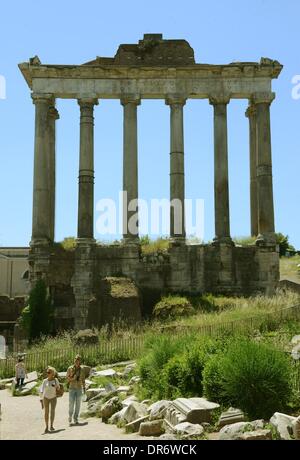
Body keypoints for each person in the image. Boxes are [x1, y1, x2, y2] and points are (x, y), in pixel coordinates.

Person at [39, 366, 60, 433]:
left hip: (53, 397)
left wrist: (56, 386)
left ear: (52, 373)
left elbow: (58, 388)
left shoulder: (55, 380)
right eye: (47, 372)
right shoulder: (45, 381)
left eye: (49, 372)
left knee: (52, 411)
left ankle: (51, 425)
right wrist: (41, 398)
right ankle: (46, 426)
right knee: (46, 412)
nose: (47, 373)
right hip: (46, 398)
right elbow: (41, 389)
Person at [66, 354, 85, 425]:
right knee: (71, 404)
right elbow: (67, 378)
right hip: (72, 388)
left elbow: (83, 379)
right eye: (75, 359)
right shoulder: (70, 368)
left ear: (80, 361)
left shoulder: (82, 369)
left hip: (79, 388)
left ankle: (75, 418)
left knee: (78, 404)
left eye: (78, 359)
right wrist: (72, 378)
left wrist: (84, 388)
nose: (76, 361)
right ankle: (70, 416)